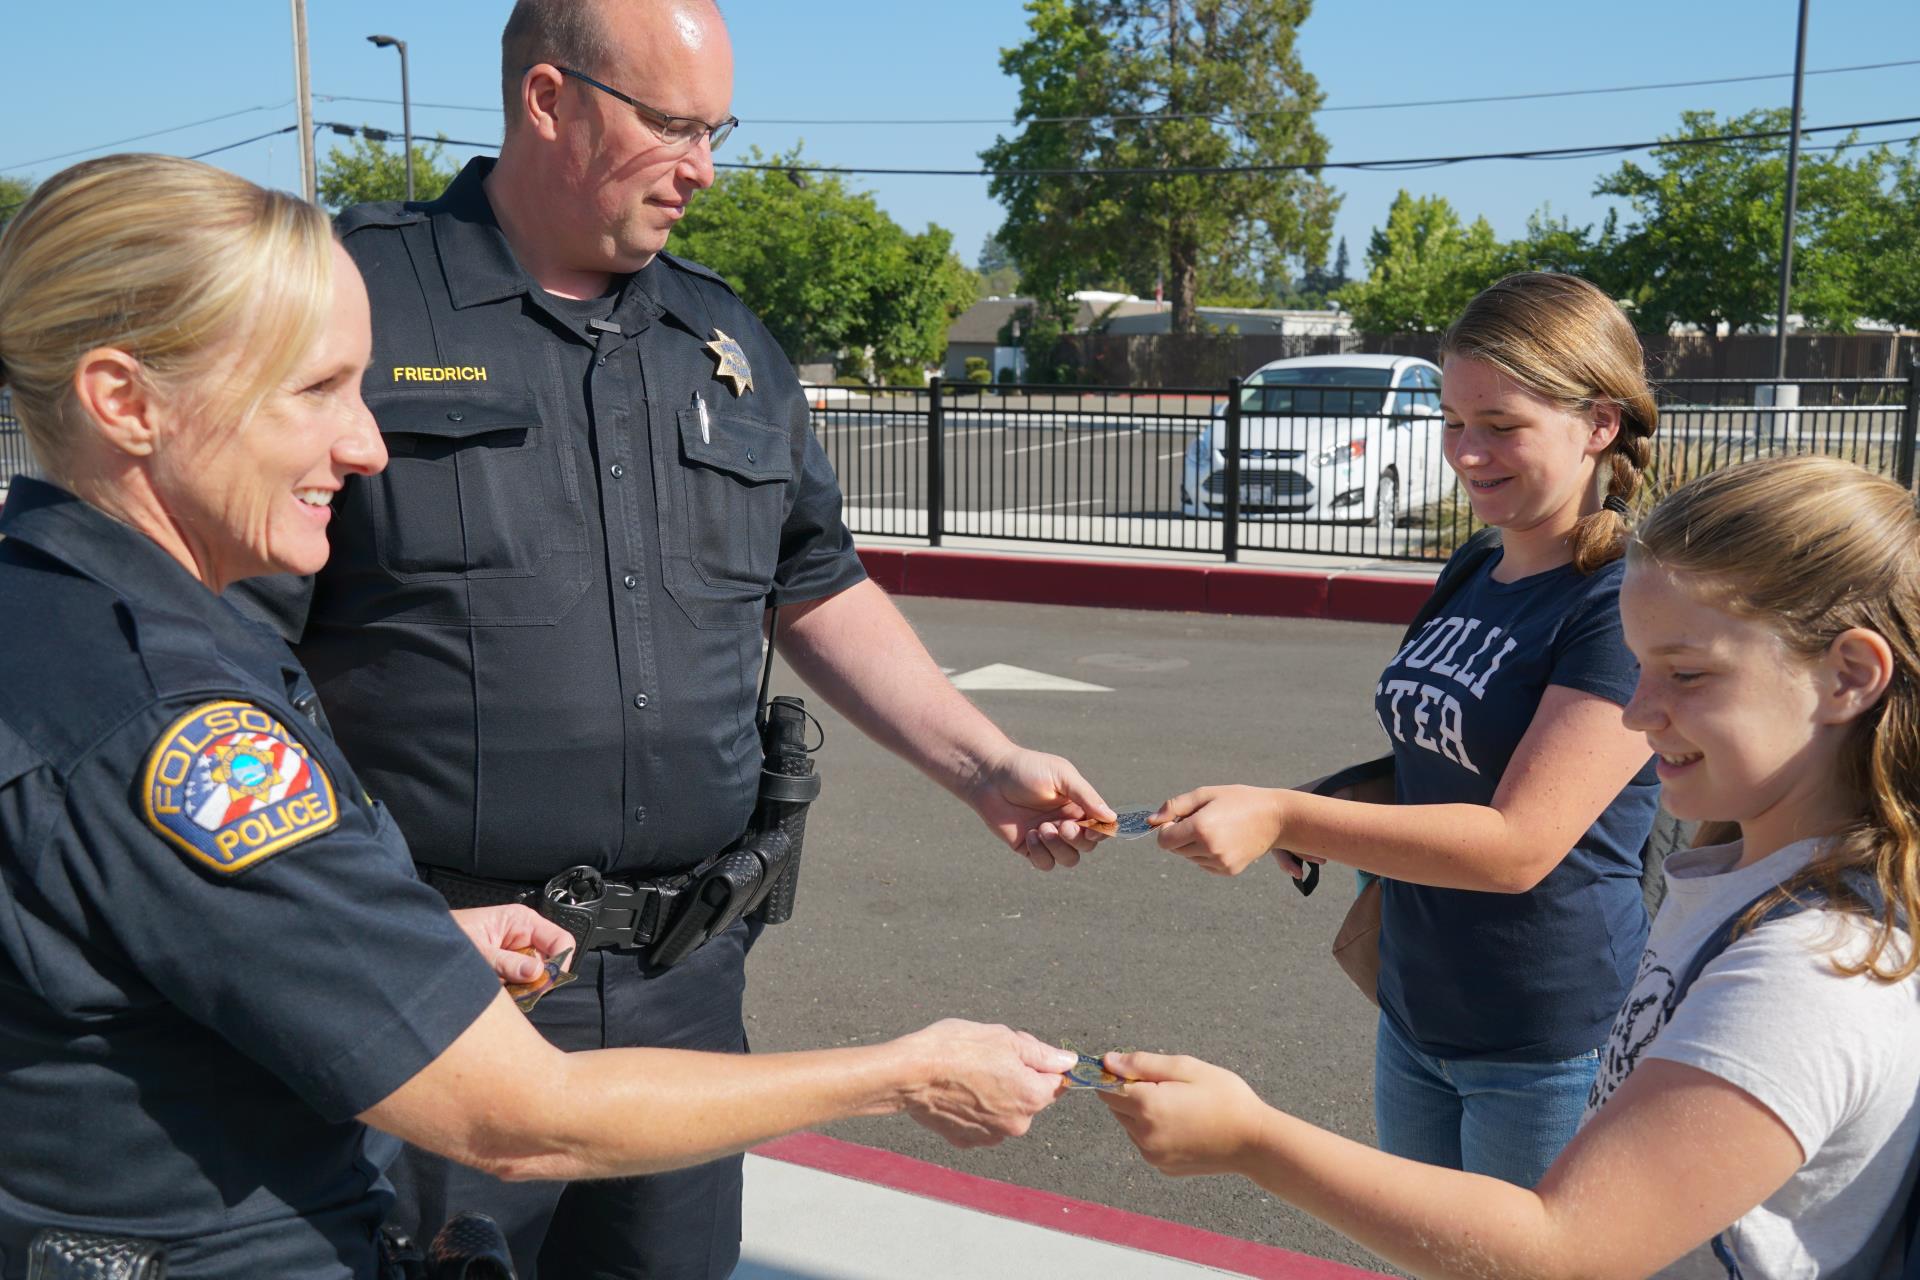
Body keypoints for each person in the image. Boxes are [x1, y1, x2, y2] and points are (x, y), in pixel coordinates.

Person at [0, 153, 1079, 1280]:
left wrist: (382, 944)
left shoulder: (47, 619)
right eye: (314, 390)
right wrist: (903, 1072)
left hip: (644, 963)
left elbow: (128, 936)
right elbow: (523, 1115)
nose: (366, 445)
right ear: (125, 400)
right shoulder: (179, 725)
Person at [225, 2, 1112, 1274]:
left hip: (679, 989)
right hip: (437, 978)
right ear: (548, 100)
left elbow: (815, 581)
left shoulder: (724, 335)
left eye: (718, 130)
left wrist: (984, 765)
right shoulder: (353, 304)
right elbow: (236, 649)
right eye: (675, 126)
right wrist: (338, 915)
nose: (705, 165)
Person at [1102, 453, 1920, 1279]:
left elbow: (1565, 1249)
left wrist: (1252, 1141)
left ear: (1849, 676)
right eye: (1638, 668)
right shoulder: (1741, 863)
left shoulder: (1809, 974)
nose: (1636, 713)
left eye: (1688, 673)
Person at [1147, 272, 1661, 1187]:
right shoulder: (1476, 565)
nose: (1467, 453)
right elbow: (1436, 763)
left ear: (1600, 423)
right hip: (1418, 1008)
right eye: (1453, 421)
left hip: (1548, 1040)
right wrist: (1311, 802)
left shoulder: (1621, 600)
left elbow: (1517, 845)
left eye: (1502, 426)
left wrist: (1287, 818)